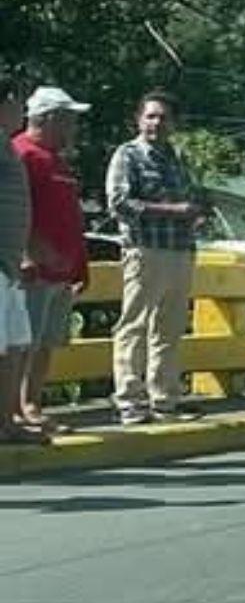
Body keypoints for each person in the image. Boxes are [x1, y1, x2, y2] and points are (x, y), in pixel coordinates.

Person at [105, 91, 201, 425]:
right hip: (144, 249)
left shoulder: (176, 158)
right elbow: (119, 202)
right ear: (139, 119)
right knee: (134, 324)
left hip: (180, 250)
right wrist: (173, 211)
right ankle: (131, 400)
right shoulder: (128, 155)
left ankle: (165, 399)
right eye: (151, 116)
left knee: (169, 328)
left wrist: (193, 214)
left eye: (163, 117)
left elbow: (190, 197)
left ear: (173, 123)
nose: (156, 123)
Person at [13, 86, 90, 434]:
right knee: (23, 341)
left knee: (47, 342)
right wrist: (27, 254)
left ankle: (33, 403)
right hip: (34, 269)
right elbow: (17, 211)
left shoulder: (58, 161)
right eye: (68, 119)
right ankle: (14, 408)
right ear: (47, 118)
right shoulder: (21, 153)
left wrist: (80, 265)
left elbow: (72, 218)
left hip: (62, 271)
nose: (73, 127)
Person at [0, 78, 42, 445]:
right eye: (14, 102)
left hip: (10, 264)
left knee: (16, 343)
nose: (19, 110)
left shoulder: (5, 146)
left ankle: (8, 421)